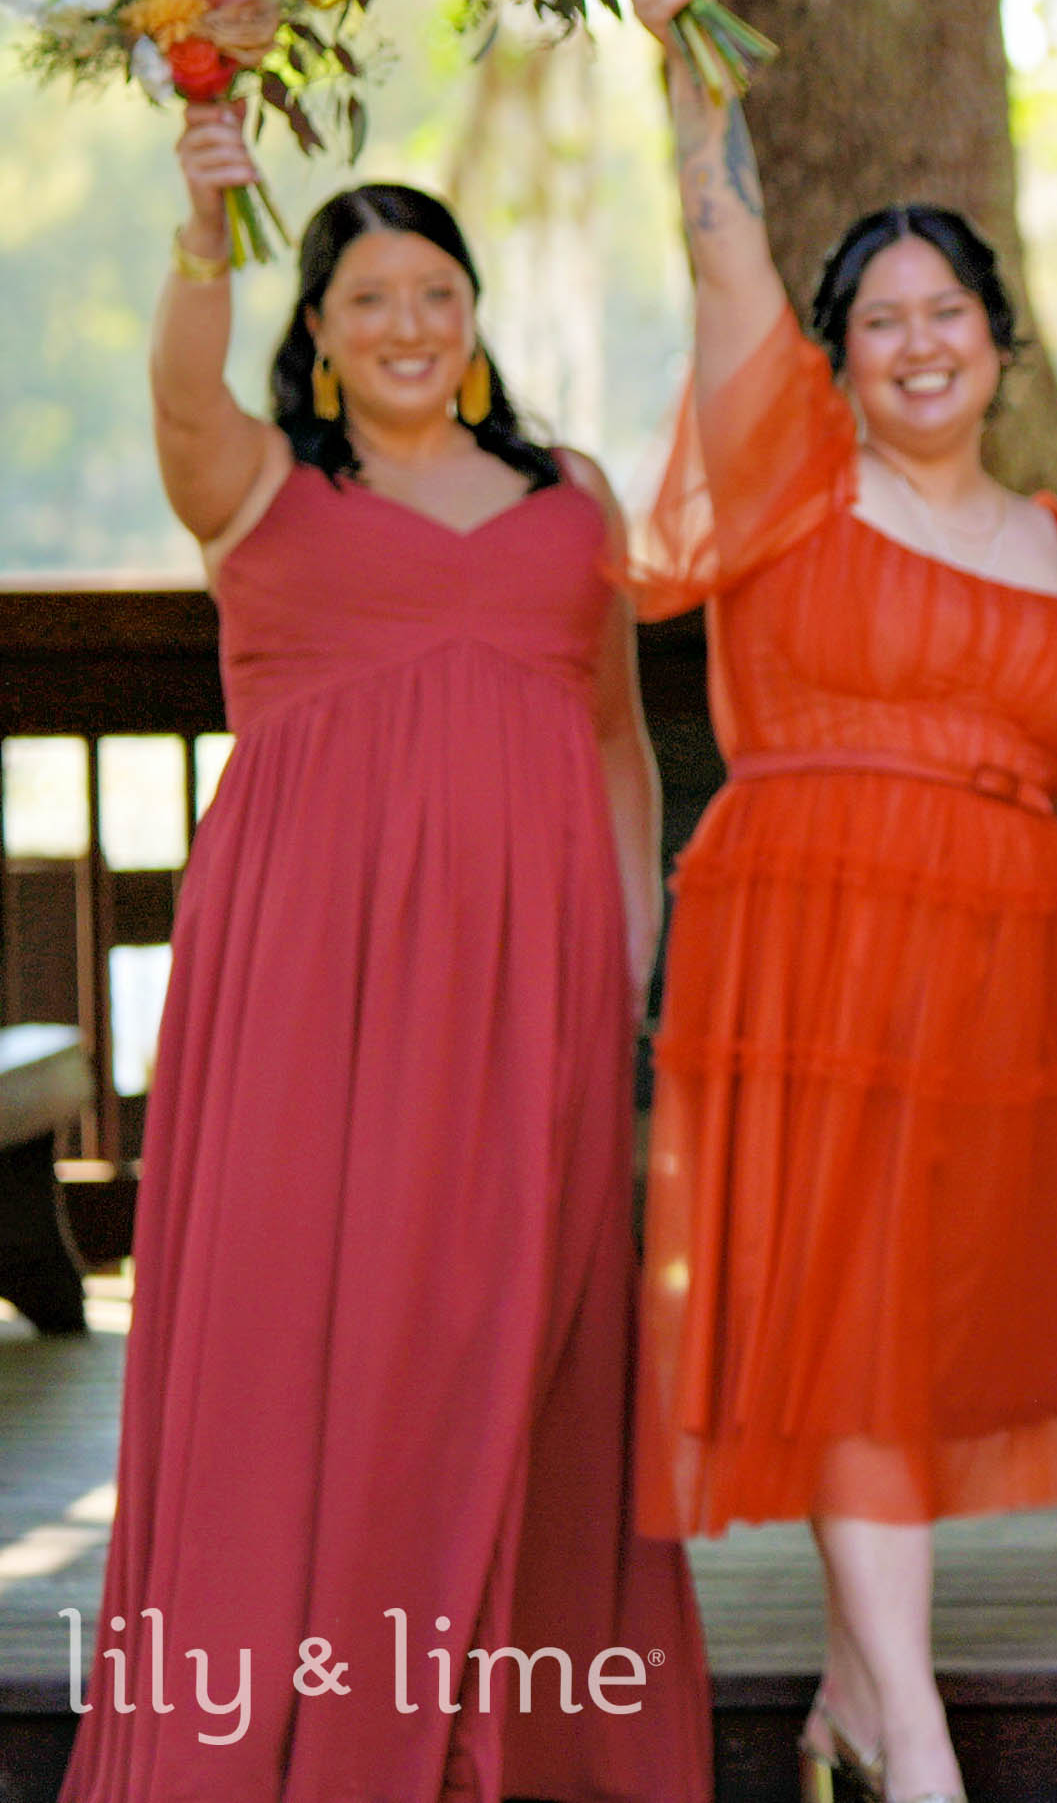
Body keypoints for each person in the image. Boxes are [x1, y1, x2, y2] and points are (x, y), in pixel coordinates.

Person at [65, 125, 708, 1800]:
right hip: (305, 986)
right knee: (300, 1324)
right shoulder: (256, 485)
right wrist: (203, 218)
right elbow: (181, 388)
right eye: (369, 297)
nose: (408, 322)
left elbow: (615, 738)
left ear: (472, 314)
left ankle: (523, 1725)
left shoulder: (570, 495)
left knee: (516, 1314)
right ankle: (302, 1724)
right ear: (318, 328)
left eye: (436, 290)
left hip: (537, 984)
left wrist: (624, 953)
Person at [623, 0, 1057, 1803]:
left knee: (915, 1346)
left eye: (949, 313)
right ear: (837, 354)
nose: (918, 342)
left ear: (999, 341)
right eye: (879, 318)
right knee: (845, 1326)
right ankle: (916, 1747)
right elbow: (720, 248)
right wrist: (686, 51)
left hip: (1008, 978)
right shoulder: (790, 472)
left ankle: (855, 1696)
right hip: (813, 946)